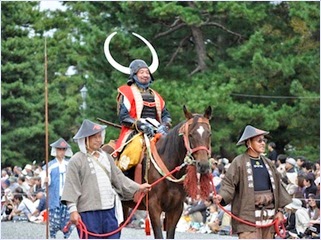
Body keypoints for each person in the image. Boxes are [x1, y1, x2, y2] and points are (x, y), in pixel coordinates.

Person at [61, 119, 151, 239]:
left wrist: (139, 187)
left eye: (99, 136)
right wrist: (73, 211)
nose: (98, 140)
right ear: (85, 139)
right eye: (94, 137)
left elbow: (119, 178)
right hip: (88, 212)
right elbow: (71, 187)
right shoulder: (76, 160)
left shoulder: (107, 157)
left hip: (109, 210)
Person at [214, 125, 292, 239]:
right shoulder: (239, 162)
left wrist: (279, 211)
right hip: (247, 217)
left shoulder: (269, 163)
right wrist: (222, 196)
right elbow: (229, 184)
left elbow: (278, 189)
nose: (263, 143)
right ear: (249, 142)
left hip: (269, 217)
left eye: (264, 140)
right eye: (259, 141)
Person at [112, 59, 171, 171]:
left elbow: (165, 114)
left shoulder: (156, 95)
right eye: (142, 72)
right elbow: (123, 117)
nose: (145, 75)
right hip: (136, 132)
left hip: (157, 131)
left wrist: (165, 125)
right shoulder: (126, 92)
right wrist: (141, 126)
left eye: (147, 72)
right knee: (134, 152)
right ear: (134, 75)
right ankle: (125, 179)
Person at [44, 138, 74, 239]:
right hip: (55, 199)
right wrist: (46, 180)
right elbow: (44, 181)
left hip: (66, 198)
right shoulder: (50, 166)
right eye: (59, 149)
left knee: (68, 224)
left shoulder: (69, 164)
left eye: (63, 149)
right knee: (53, 224)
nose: (61, 152)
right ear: (55, 150)